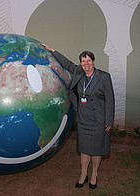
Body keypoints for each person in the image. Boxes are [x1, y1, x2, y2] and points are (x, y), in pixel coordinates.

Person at [41, 44, 115, 190]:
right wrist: (52, 50)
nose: (86, 64)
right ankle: (83, 175)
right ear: (80, 63)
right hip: (83, 119)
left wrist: (109, 121)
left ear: (93, 61)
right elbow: (66, 63)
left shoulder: (104, 77)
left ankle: (94, 174)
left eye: (88, 61)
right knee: (84, 149)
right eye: (83, 61)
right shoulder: (78, 72)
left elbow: (110, 100)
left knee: (96, 150)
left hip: (99, 120)